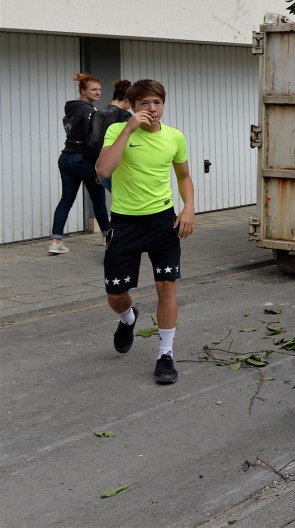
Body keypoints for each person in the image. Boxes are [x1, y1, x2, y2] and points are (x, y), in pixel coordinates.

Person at [96, 79, 195, 385]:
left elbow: (183, 176)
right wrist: (128, 129)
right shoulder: (117, 130)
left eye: (157, 102)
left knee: (166, 286)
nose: (152, 109)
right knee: (116, 294)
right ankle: (128, 318)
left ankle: (165, 354)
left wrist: (189, 207)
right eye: (144, 103)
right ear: (133, 106)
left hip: (162, 222)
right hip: (125, 223)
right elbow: (103, 170)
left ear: (163, 104)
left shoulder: (175, 137)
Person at [49, 73, 110, 254]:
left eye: (99, 89)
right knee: (98, 198)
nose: (98, 92)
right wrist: (97, 167)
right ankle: (108, 237)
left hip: (66, 158)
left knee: (66, 198)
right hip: (82, 160)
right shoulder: (90, 111)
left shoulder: (71, 108)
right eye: (94, 89)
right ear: (83, 91)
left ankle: (55, 241)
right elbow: (92, 142)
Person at [92, 79, 133, 192]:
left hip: (100, 167)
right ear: (127, 99)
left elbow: (92, 143)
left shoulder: (97, 114)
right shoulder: (125, 116)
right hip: (118, 167)